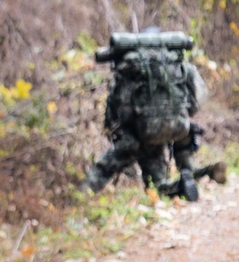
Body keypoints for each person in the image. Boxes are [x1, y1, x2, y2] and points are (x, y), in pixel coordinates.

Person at [86, 29, 225, 200]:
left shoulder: (132, 67)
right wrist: (179, 113)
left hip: (143, 135)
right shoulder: (176, 62)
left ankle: (80, 196)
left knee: (119, 172)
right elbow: (198, 97)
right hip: (180, 127)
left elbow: (120, 109)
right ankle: (194, 176)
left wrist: (126, 130)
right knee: (160, 183)